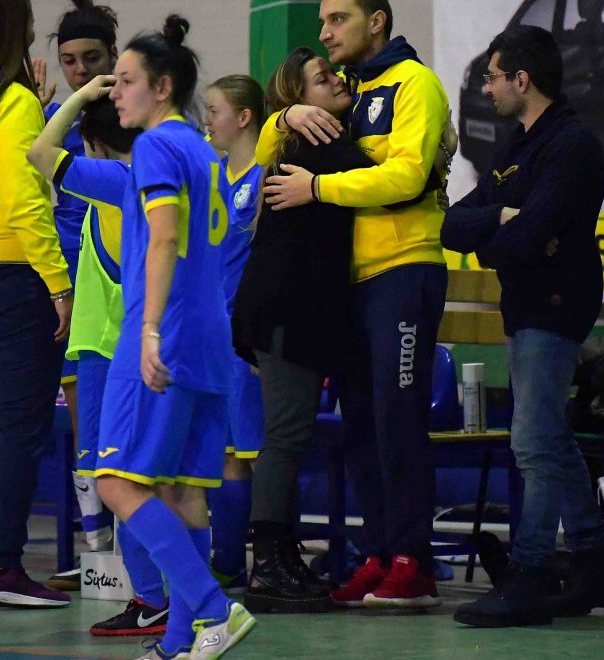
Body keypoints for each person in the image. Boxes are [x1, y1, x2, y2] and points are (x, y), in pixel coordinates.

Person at [257, 0, 450, 608]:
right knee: (360, 419)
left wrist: (318, 187)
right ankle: (377, 553)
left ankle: (412, 561)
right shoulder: (348, 90)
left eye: (338, 18)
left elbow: (407, 176)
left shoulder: (414, 83)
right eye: (323, 21)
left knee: (397, 414)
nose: (325, 32)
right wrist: (286, 112)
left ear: (378, 20)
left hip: (404, 267)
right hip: (351, 282)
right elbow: (263, 152)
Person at [442, 25, 604, 628]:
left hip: (554, 305)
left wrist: (500, 239)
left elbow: (525, 237)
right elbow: (453, 225)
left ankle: (531, 571)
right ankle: (594, 563)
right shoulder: (514, 150)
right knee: (551, 438)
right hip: (524, 306)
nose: (487, 87)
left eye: (493, 76)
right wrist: (501, 219)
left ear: (522, 80)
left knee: (534, 443)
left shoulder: (572, 147)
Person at [95, 15, 256, 659]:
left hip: (168, 333)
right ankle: (177, 641)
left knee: (116, 482)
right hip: (212, 337)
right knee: (184, 492)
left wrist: (150, 329)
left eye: (125, 80)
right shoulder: (203, 151)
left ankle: (216, 609)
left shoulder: (156, 148)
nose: (114, 91)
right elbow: (44, 160)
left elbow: (163, 238)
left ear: (162, 87)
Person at [232, 46, 378, 614]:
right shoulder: (319, 147)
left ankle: (282, 556)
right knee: (285, 437)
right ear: (301, 101)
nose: (337, 80)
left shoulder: (302, 145)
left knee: (286, 437)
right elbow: (389, 179)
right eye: (322, 79)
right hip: (284, 316)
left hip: (285, 315)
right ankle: (267, 566)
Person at [29, 79, 174, 640]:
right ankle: (156, 591)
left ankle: (160, 596)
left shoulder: (118, 181)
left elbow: (40, 151)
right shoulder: (150, 182)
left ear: (93, 144)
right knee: (126, 475)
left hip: (122, 350)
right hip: (115, 347)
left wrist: (78, 96)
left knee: (122, 477)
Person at [0, 0, 75, 609]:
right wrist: (58, 282)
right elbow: (26, 199)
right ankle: (0, 566)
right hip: (16, 274)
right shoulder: (12, 99)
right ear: (19, 29)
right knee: (20, 427)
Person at [38, 0, 121, 592]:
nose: (79, 70)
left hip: (125, 276)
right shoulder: (54, 118)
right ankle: (100, 560)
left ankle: (133, 558)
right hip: (72, 280)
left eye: (91, 57)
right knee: (83, 420)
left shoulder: (135, 110)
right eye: (69, 60)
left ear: (114, 56)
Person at [201, 74, 265, 594]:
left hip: (252, 336)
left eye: (214, 111)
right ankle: (227, 562)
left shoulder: (267, 176)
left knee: (258, 451)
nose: (207, 121)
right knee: (226, 451)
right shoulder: (211, 176)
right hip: (213, 336)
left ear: (244, 117)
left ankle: (271, 558)